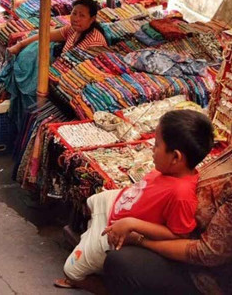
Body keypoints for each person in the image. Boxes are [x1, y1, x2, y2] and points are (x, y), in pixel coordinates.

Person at [102, 86, 232, 295]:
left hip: (209, 277)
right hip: (181, 232)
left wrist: (142, 240)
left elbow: (206, 253)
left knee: (121, 262)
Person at [56, 110, 213, 292]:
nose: (152, 150)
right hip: (117, 208)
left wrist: (132, 223)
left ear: (176, 157)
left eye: (157, 145)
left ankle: (107, 287)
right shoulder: (169, 171)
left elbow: (178, 234)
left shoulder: (181, 194)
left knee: (71, 272)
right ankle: (90, 240)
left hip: (119, 230)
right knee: (93, 201)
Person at [9, 0, 107, 55]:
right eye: (74, 13)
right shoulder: (72, 29)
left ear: (92, 19)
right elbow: (45, 36)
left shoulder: (95, 42)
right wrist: (20, 45)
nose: (76, 19)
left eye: (82, 16)